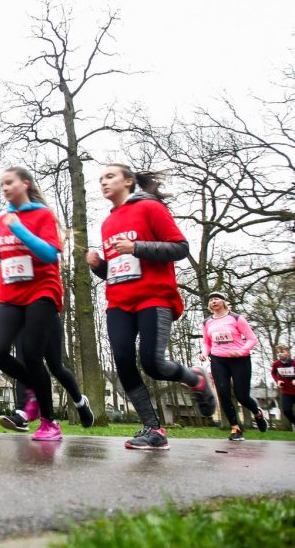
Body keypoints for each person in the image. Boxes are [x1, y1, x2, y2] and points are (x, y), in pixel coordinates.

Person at [87, 164, 216, 450]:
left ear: (129, 181)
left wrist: (137, 247)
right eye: (100, 179)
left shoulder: (150, 208)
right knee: (122, 361)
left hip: (154, 297)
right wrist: (99, 266)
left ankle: (194, 378)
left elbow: (180, 248)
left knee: (153, 363)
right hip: (119, 301)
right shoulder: (108, 223)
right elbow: (118, 270)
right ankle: (153, 429)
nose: (103, 183)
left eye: (110, 176)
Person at [0, 166, 92, 441]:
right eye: (2, 185)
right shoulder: (3, 219)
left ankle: (49, 422)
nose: (5, 188)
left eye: (10, 183)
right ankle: (34, 388)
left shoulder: (41, 215)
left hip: (41, 292)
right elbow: (16, 257)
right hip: (11, 294)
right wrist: (0, 253)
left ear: (25, 184)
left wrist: (19, 230)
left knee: (36, 357)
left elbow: (47, 254)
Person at [0, 315, 95, 432]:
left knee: (56, 368)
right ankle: (21, 414)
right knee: (23, 364)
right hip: (22, 322)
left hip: (47, 317)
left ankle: (80, 403)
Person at [198, 291, 267, 440]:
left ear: (223, 302)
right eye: (210, 300)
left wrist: (241, 351)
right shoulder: (207, 322)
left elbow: (252, 339)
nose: (213, 302)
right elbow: (206, 342)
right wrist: (204, 353)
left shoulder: (236, 318)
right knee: (223, 394)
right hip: (217, 359)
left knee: (242, 396)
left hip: (239, 359)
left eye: (216, 299)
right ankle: (235, 428)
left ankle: (257, 413)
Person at [270, 344, 295, 430]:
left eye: (282, 352)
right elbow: (273, 373)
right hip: (287, 392)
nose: (280, 354)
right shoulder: (276, 364)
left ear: (287, 353)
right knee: (286, 411)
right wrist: (278, 380)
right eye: (278, 352)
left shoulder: (294, 363)